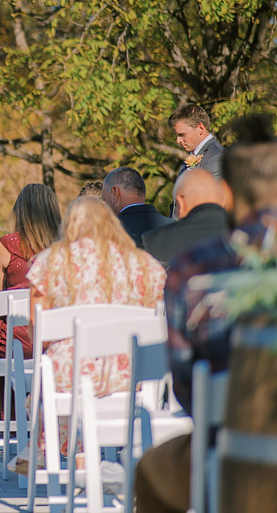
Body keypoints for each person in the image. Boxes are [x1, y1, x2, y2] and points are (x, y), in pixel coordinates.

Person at [134, 117, 277, 513]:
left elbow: (184, 379)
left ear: (226, 193)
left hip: (231, 447)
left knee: (150, 471)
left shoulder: (195, 265)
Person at [27, 196, 165, 455]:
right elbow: (155, 324)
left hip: (70, 373)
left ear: (70, 225)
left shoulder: (50, 261)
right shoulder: (144, 264)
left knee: (53, 365)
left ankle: (71, 455)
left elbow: (38, 329)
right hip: (129, 374)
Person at [0, 183, 62, 362]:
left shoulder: (6, 245)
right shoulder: (65, 248)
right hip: (55, 338)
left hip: (13, 345)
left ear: (20, 211)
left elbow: (1, 296)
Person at [140, 169, 228, 267]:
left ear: (180, 202)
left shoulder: (154, 242)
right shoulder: (243, 230)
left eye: (176, 205)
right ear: (223, 199)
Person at [168, 104, 224, 218]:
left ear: (200, 128)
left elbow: (208, 205)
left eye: (182, 135)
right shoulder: (189, 159)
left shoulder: (216, 158)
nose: (178, 140)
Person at [102, 167, 172, 247]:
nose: (104, 204)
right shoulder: (174, 228)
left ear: (115, 193)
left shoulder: (108, 232)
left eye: (104, 199)